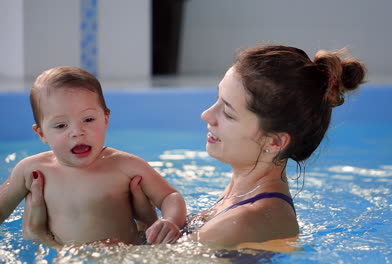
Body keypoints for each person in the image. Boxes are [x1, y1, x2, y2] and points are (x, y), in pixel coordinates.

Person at [23, 44, 366, 248]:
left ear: (274, 141)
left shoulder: (245, 220)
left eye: (227, 113)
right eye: (216, 99)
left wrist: (42, 236)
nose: (206, 115)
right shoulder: (239, 198)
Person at [0, 66, 186, 246]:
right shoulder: (31, 169)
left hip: (122, 256)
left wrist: (170, 220)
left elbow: (169, 195)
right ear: (41, 134)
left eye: (88, 120)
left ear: (105, 119)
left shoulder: (126, 165)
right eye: (60, 126)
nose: (77, 132)